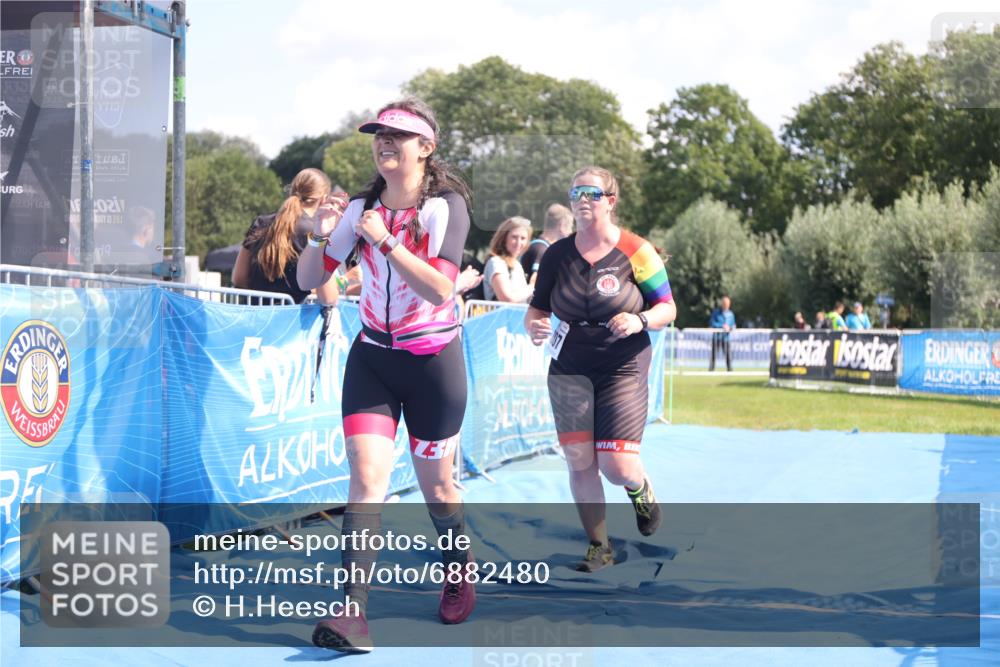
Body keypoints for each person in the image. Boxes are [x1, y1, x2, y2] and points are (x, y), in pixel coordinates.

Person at [297, 98, 474, 653]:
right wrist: (322, 236)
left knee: (438, 488)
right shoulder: (358, 208)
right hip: (372, 357)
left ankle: (459, 565)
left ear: (426, 147)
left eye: (398, 135)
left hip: (431, 366)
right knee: (367, 480)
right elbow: (311, 278)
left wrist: (385, 240)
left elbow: (441, 289)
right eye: (378, 134)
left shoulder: (445, 207)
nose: (384, 142)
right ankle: (352, 612)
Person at [524, 166, 676, 573]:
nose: (582, 201)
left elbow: (667, 307)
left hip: (622, 361)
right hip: (570, 361)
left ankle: (640, 490)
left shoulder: (636, 249)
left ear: (611, 201)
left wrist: (640, 320)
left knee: (617, 465)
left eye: (592, 193)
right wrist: (535, 326)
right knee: (579, 460)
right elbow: (537, 308)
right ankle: (599, 546)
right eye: (576, 194)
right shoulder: (557, 254)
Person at [233, 167, 339, 305]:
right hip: (295, 323)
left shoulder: (260, 222)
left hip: (257, 320)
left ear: (292, 191)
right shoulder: (317, 232)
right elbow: (328, 298)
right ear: (324, 199)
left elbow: (239, 278)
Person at [483, 216, 533, 302]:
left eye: (523, 238)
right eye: (514, 237)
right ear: (504, 238)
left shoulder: (517, 265)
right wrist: (532, 286)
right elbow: (507, 298)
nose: (519, 243)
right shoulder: (496, 263)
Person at [521, 203, 574, 285]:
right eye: (570, 226)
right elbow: (534, 282)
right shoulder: (542, 250)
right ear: (562, 225)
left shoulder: (538, 246)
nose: (570, 231)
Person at [708, 295, 736, 372]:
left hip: (726, 338)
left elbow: (733, 325)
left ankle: (729, 369)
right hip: (716, 337)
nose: (726, 306)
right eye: (725, 304)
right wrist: (721, 326)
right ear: (722, 304)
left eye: (727, 304)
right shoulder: (716, 313)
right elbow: (712, 323)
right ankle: (711, 369)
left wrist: (730, 328)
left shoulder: (731, 314)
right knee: (714, 354)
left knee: (728, 354)